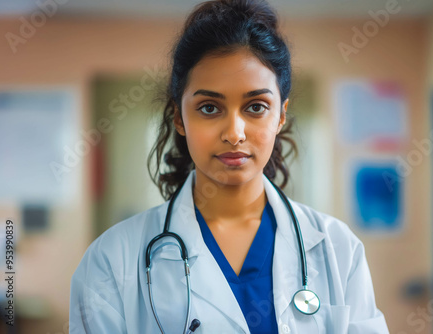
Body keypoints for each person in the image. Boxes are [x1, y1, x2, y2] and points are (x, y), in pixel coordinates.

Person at [69, 0, 390, 333]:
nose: (234, 134)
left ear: (281, 116)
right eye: (209, 108)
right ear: (179, 117)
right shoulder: (111, 261)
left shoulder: (338, 250)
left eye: (256, 106)